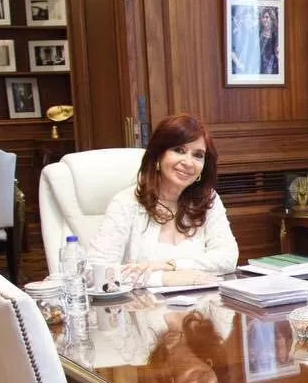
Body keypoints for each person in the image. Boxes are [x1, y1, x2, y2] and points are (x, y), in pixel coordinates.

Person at [86, 113, 238, 287]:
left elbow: (228, 258)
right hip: (142, 308)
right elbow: (95, 274)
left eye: (198, 155)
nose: (188, 162)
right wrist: (162, 279)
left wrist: (172, 266)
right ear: (158, 155)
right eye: (179, 150)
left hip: (200, 309)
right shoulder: (126, 204)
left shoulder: (207, 199)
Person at [258, 6, 279, 75]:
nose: (264, 19)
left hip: (272, 68)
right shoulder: (259, 33)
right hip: (260, 67)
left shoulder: (276, 34)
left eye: (267, 17)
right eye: (263, 17)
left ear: (272, 19)